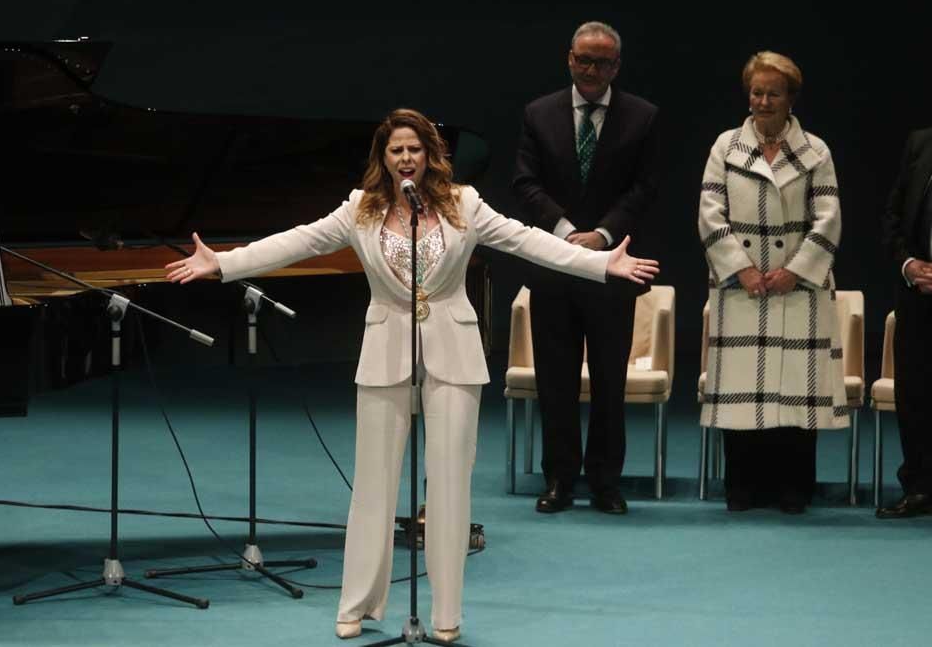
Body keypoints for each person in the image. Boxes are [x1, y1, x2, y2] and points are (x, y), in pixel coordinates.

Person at [166, 109, 658, 641]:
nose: (406, 159)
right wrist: (224, 264)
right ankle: (357, 606)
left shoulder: (463, 205)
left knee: (450, 486)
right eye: (396, 150)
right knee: (373, 485)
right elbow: (297, 241)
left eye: (415, 150)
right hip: (384, 351)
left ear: (430, 156)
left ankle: (446, 616)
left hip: (453, 350)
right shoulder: (360, 209)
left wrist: (601, 263)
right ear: (383, 157)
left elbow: (528, 240)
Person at [512, 21, 659, 515]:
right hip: (554, 269)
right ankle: (559, 479)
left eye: (602, 62)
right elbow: (525, 182)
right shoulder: (539, 113)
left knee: (609, 383)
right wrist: (565, 233)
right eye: (583, 60)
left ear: (617, 66)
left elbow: (643, 188)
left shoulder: (642, 116)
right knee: (555, 381)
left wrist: (601, 236)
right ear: (569, 58)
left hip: (614, 270)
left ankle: (605, 482)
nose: (591, 70)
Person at [698, 51, 848, 514]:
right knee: (742, 389)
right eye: (756, 92)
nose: (763, 101)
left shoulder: (815, 150)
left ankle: (793, 488)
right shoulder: (726, 146)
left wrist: (795, 271)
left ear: (790, 99)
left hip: (797, 290)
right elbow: (709, 212)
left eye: (773, 93)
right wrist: (739, 267)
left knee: (795, 390)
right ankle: (741, 487)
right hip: (740, 288)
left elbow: (828, 218)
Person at [876, 127, 932, 518]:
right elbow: (893, 216)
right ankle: (920, 488)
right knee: (914, 395)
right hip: (918, 293)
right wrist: (908, 265)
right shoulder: (920, 144)